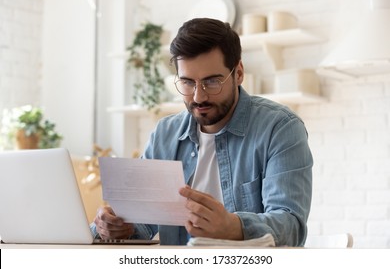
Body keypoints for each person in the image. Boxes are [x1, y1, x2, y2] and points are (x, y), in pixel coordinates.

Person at [91, 18, 313, 246]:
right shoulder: (165, 134)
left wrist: (233, 227)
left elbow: (291, 226)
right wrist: (114, 225)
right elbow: (143, 220)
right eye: (187, 83)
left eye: (212, 82)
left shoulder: (280, 128)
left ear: (238, 73)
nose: (198, 96)